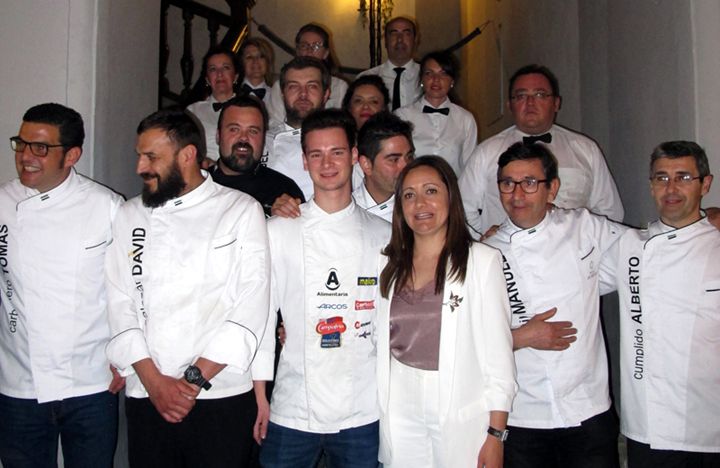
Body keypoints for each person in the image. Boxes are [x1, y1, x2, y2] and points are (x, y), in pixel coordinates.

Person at [105, 109, 270, 467]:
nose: (139, 167)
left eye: (151, 157)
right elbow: (119, 301)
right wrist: (154, 383)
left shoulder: (240, 210)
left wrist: (190, 383)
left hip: (220, 394)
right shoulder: (130, 215)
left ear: (188, 155)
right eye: (140, 155)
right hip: (147, 394)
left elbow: (251, 307)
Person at [258, 109, 390, 468]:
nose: (326, 163)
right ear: (304, 160)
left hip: (363, 405)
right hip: (293, 404)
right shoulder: (277, 231)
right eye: (316, 154)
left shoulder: (385, 235)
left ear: (354, 156)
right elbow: (261, 318)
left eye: (336, 152)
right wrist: (260, 396)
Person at [482, 141, 624, 468]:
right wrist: (522, 337)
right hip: (523, 417)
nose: (517, 194)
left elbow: (643, 254)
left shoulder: (585, 227)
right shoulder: (486, 253)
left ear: (552, 188)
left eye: (530, 183)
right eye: (507, 183)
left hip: (588, 409)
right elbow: (467, 338)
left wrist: (700, 225)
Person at [0, 103, 124, 467]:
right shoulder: (2, 204)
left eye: (40, 148)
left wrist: (126, 358)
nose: (26, 156)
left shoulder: (106, 207)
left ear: (71, 155)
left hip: (90, 384)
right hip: (18, 382)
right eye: (21, 145)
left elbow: (127, 291)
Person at [376, 155, 516, 468]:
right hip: (399, 404)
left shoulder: (482, 261)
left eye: (431, 191)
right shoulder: (389, 265)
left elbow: (499, 356)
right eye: (409, 195)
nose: (419, 203)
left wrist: (496, 433)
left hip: (459, 407)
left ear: (450, 197)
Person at [612, 141, 720, 467]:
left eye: (684, 177)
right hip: (648, 425)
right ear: (651, 186)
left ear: (706, 184)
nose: (671, 188)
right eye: (661, 178)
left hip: (711, 423)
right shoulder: (627, 245)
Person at [460, 64, 624, 237]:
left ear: (556, 103)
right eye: (521, 96)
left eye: (539, 94)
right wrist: (484, 242)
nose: (530, 103)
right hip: (506, 256)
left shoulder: (586, 149)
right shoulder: (486, 152)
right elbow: (462, 208)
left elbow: (610, 212)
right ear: (510, 105)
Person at [210, 94, 304, 216]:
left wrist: (278, 221)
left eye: (253, 131)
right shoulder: (197, 185)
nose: (243, 138)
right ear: (218, 136)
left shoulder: (283, 191)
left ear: (263, 139)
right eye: (234, 129)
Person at [395, 50, 477, 176]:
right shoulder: (402, 116)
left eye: (443, 74)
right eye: (429, 73)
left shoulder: (465, 119)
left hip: (453, 192)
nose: (436, 79)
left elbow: (470, 168)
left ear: (452, 81)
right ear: (421, 79)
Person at [265, 56, 330, 202]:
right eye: (294, 86)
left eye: (312, 86)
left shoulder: (344, 142)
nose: (303, 94)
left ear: (326, 94)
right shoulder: (262, 140)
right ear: (282, 94)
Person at [265, 23, 348, 124]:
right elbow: (275, 123)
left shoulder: (339, 86)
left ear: (326, 53)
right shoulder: (279, 86)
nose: (309, 50)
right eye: (304, 46)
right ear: (298, 51)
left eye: (316, 46)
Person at [353, 111, 414, 222]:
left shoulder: (418, 209)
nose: (406, 167)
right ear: (366, 165)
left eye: (409, 157)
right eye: (394, 160)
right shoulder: (347, 210)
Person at [186, 45, 240, 162]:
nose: (219, 74)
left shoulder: (248, 109)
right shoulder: (193, 111)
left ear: (235, 76)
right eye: (213, 69)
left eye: (226, 68)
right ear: (207, 79)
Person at [358, 16, 422, 111]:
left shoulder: (427, 76)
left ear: (415, 40)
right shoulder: (366, 78)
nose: (400, 39)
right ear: (385, 41)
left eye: (406, 33)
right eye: (394, 34)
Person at [238, 37, 274, 102]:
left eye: (261, 56)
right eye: (249, 57)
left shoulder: (277, 97)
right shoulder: (232, 94)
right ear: (242, 62)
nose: (255, 61)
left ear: (268, 62)